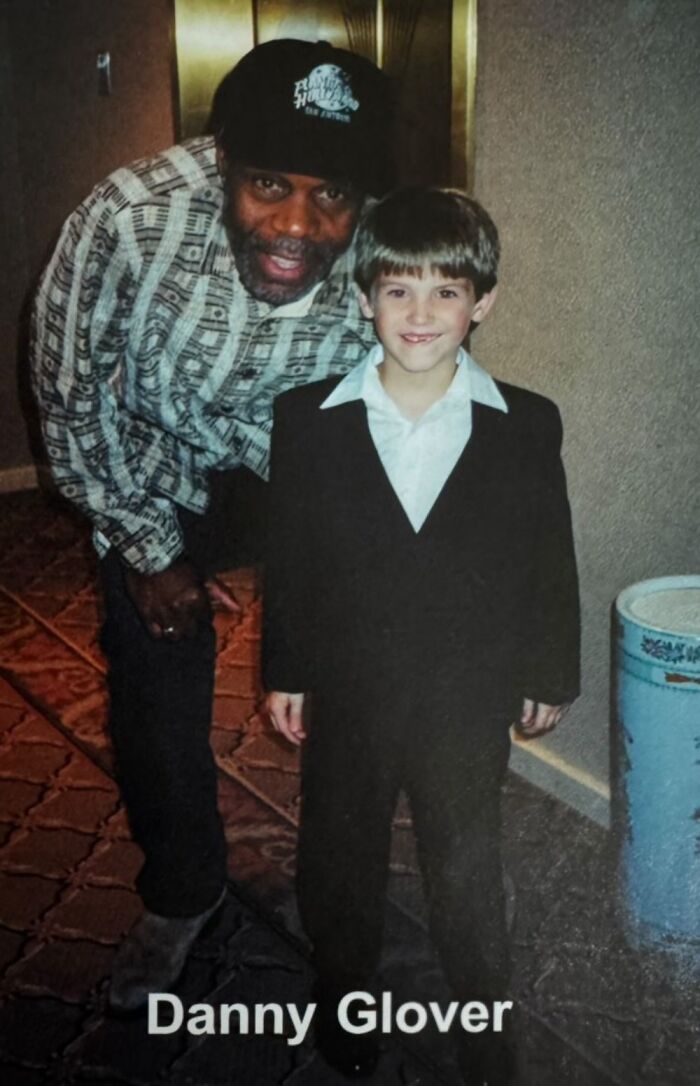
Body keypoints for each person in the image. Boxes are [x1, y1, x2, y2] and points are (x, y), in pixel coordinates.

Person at [30, 38, 394, 1012]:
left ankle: (339, 885)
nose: (296, 226)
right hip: (152, 466)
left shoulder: (388, 243)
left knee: (350, 689)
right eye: (269, 184)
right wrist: (150, 551)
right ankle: (182, 890)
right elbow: (70, 402)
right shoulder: (127, 217)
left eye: (331, 197)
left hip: (302, 473)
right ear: (222, 163)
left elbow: (403, 396)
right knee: (155, 696)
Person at [263, 187, 580, 1084]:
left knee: (467, 861)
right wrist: (287, 669)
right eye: (398, 289)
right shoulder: (307, 421)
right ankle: (345, 997)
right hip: (354, 685)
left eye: (446, 291)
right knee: (338, 853)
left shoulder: (526, 424)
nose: (420, 313)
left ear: (482, 302)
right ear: (363, 296)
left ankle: (483, 1016)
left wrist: (551, 670)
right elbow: (292, 562)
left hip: (465, 692)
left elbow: (548, 557)